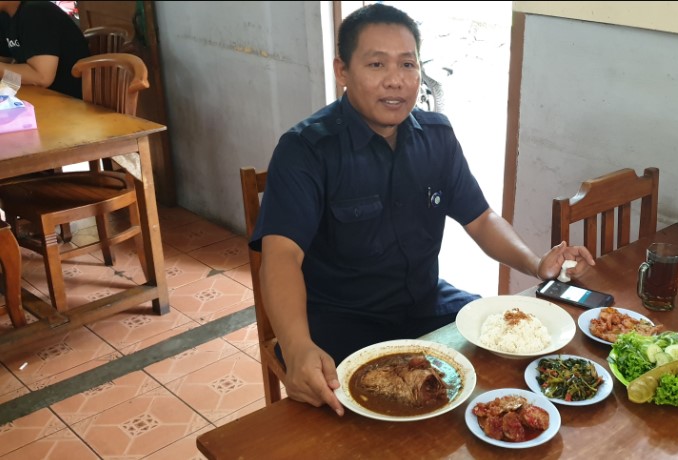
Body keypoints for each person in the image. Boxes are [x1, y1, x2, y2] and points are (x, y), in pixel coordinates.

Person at [250, 3, 595, 416]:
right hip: (343, 323)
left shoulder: (437, 137)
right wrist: (297, 345)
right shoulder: (305, 150)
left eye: (407, 64)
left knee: (509, 367)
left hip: (427, 305)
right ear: (342, 71)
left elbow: (481, 218)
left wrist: (536, 262)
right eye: (376, 64)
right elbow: (281, 256)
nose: (395, 81)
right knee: (352, 430)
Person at [0, 1, 89, 98]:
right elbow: (7, 62)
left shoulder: (35, 12)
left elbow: (42, 78)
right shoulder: (6, 16)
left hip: (70, 100)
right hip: (36, 94)